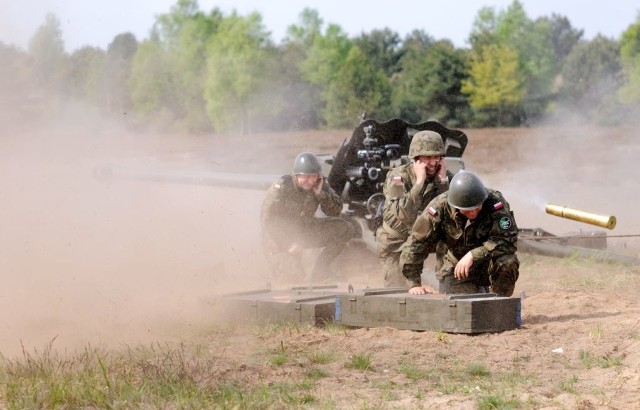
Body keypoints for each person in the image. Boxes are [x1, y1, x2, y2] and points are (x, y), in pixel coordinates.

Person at [400, 170, 519, 296]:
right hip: (458, 268)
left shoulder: (495, 202)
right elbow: (416, 243)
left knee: (508, 261)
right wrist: (413, 283)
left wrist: (473, 255)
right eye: (467, 210)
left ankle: (500, 305)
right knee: (461, 307)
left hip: (489, 264)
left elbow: (507, 242)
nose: (473, 213)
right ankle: (478, 290)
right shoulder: (439, 208)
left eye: (477, 207)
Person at [261, 152, 357, 280]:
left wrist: (320, 194)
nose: (310, 181)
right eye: (305, 177)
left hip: (304, 231)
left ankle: (320, 271)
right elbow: (269, 222)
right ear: (296, 175)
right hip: (279, 239)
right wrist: (287, 244)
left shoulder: (319, 184)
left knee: (345, 229)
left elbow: (336, 210)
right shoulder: (281, 188)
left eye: (313, 176)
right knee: (293, 279)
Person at [376, 130, 453, 287]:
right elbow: (402, 214)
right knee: (396, 289)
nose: (433, 162)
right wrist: (419, 183)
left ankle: (447, 283)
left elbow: (451, 214)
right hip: (397, 240)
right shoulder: (397, 177)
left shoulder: (444, 176)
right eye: (428, 157)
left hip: (425, 235)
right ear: (416, 157)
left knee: (452, 236)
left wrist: (444, 182)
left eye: (437, 157)